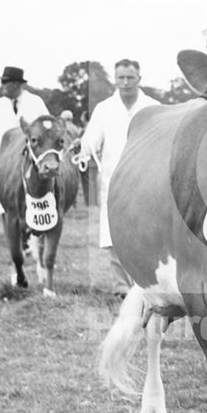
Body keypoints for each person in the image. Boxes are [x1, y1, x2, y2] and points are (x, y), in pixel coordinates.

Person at [79, 59, 158, 294]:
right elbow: (90, 140)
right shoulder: (104, 109)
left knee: (144, 234)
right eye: (121, 77)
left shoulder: (153, 107)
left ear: (139, 79)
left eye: (130, 77)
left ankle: (144, 286)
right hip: (113, 181)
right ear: (115, 79)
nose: (125, 82)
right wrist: (81, 147)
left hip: (146, 181)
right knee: (113, 234)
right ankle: (121, 287)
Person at [0, 66, 49, 151]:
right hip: (2, 159)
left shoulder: (36, 102)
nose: (1, 85)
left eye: (5, 81)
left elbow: (48, 128)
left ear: (16, 84)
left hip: (29, 159)